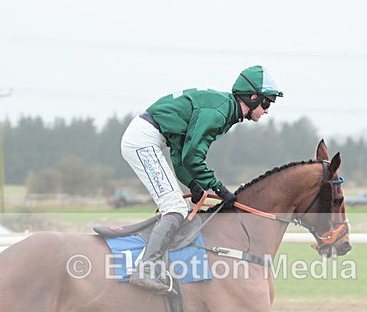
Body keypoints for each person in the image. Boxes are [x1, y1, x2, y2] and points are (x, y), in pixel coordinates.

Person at [120, 65, 283, 294]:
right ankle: (145, 270)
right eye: (267, 103)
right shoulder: (218, 113)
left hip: (147, 138)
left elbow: (180, 156)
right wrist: (217, 187)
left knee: (180, 206)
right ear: (253, 97)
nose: (266, 111)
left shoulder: (224, 109)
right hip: (143, 141)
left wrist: (193, 184)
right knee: (175, 208)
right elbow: (192, 156)